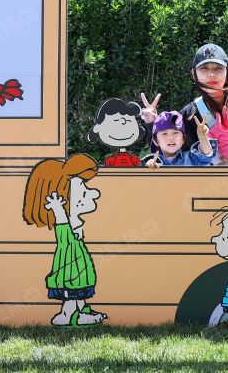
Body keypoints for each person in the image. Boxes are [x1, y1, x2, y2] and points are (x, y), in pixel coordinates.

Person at [140, 44, 228, 155]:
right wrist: (152, 124)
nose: (212, 74)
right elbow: (168, 154)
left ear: (227, 71)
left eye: (218, 68)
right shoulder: (189, 114)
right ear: (194, 74)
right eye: (204, 68)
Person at [22, 154, 108, 326]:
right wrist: (57, 208)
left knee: (79, 295)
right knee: (72, 296)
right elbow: (61, 221)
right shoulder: (65, 228)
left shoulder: (75, 228)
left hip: (78, 273)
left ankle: (81, 312)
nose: (95, 193)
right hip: (70, 274)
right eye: (84, 190)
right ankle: (69, 315)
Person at [144, 110, 216, 168]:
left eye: (175, 132)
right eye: (164, 134)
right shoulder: (153, 162)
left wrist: (202, 137)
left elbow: (205, 156)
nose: (171, 137)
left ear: (183, 139)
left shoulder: (191, 157)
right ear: (156, 141)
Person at [86, 98, 144, 167]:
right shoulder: (112, 159)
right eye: (115, 121)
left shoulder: (132, 157)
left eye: (128, 121)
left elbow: (137, 162)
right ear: (98, 128)